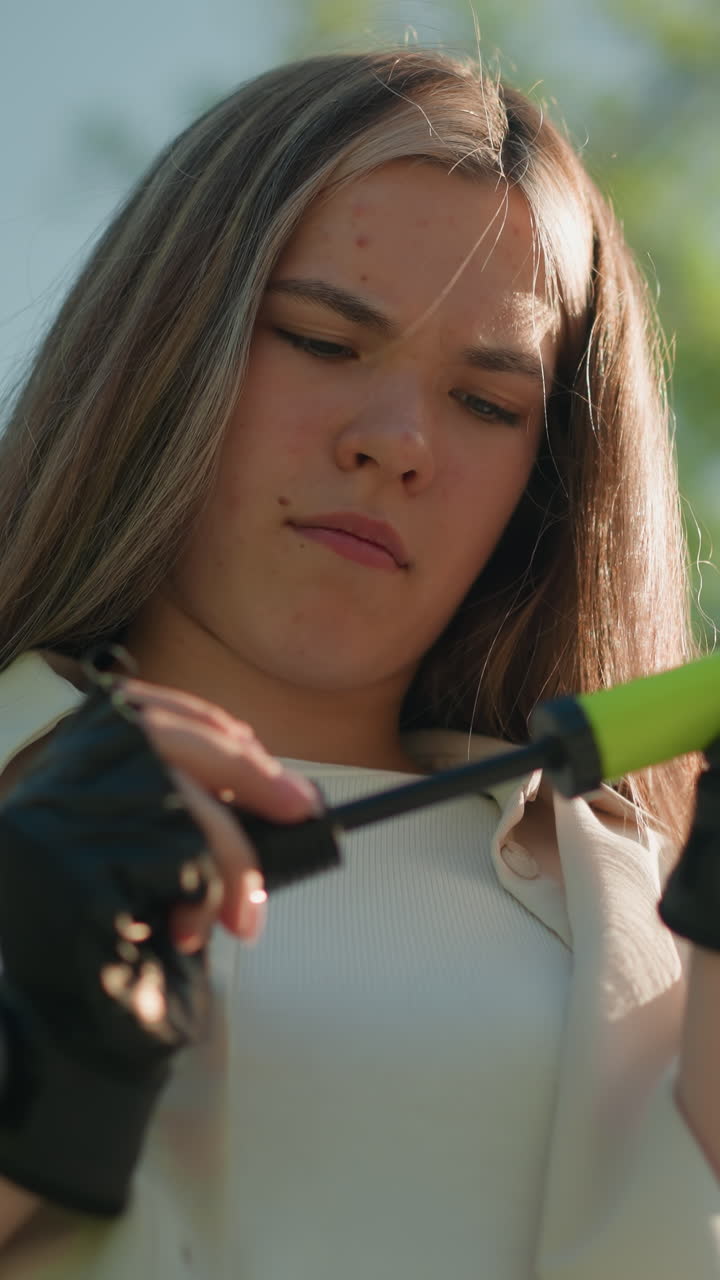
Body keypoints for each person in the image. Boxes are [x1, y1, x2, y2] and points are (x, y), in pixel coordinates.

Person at [0, 45, 717, 1279]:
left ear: (547, 485)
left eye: (489, 404)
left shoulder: (646, 903)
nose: (396, 444)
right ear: (168, 346)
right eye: (326, 340)